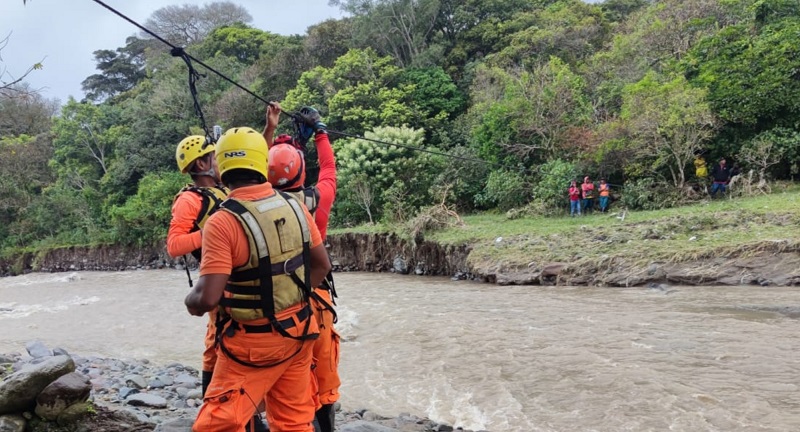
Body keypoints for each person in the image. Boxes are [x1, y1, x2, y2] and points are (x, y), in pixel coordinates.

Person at [185, 126, 331, 432]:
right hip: (301, 331)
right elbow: (321, 266)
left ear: (222, 167)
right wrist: (291, 299)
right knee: (293, 422)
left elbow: (207, 299)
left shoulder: (222, 221)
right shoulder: (296, 205)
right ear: (261, 164)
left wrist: (192, 300)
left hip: (253, 344)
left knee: (215, 426)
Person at [265, 102, 340, 432]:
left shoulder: (258, 204)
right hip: (315, 297)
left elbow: (256, 171)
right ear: (300, 170)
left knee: (287, 375)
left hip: (276, 301)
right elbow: (328, 170)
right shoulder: (318, 199)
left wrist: (271, 129)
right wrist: (320, 132)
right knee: (322, 375)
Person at [167, 135, 229, 397]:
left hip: (235, 273)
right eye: (215, 156)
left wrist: (269, 129)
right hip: (216, 274)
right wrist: (212, 232)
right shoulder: (189, 200)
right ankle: (211, 398)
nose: (219, 160)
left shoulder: (224, 188)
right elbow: (174, 245)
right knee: (216, 337)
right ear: (203, 163)